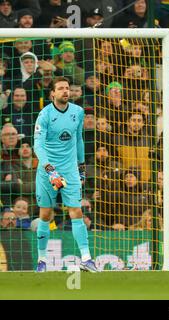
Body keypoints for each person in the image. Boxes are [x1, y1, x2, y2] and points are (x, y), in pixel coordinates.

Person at [33, 77, 97, 272]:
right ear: (52, 93)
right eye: (60, 88)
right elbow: (38, 146)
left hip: (69, 169)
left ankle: (86, 258)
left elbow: (78, 140)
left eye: (67, 88)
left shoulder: (78, 112)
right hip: (48, 171)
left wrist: (81, 166)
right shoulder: (44, 115)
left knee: (76, 211)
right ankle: (42, 260)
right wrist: (50, 171)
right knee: (45, 215)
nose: (65, 91)